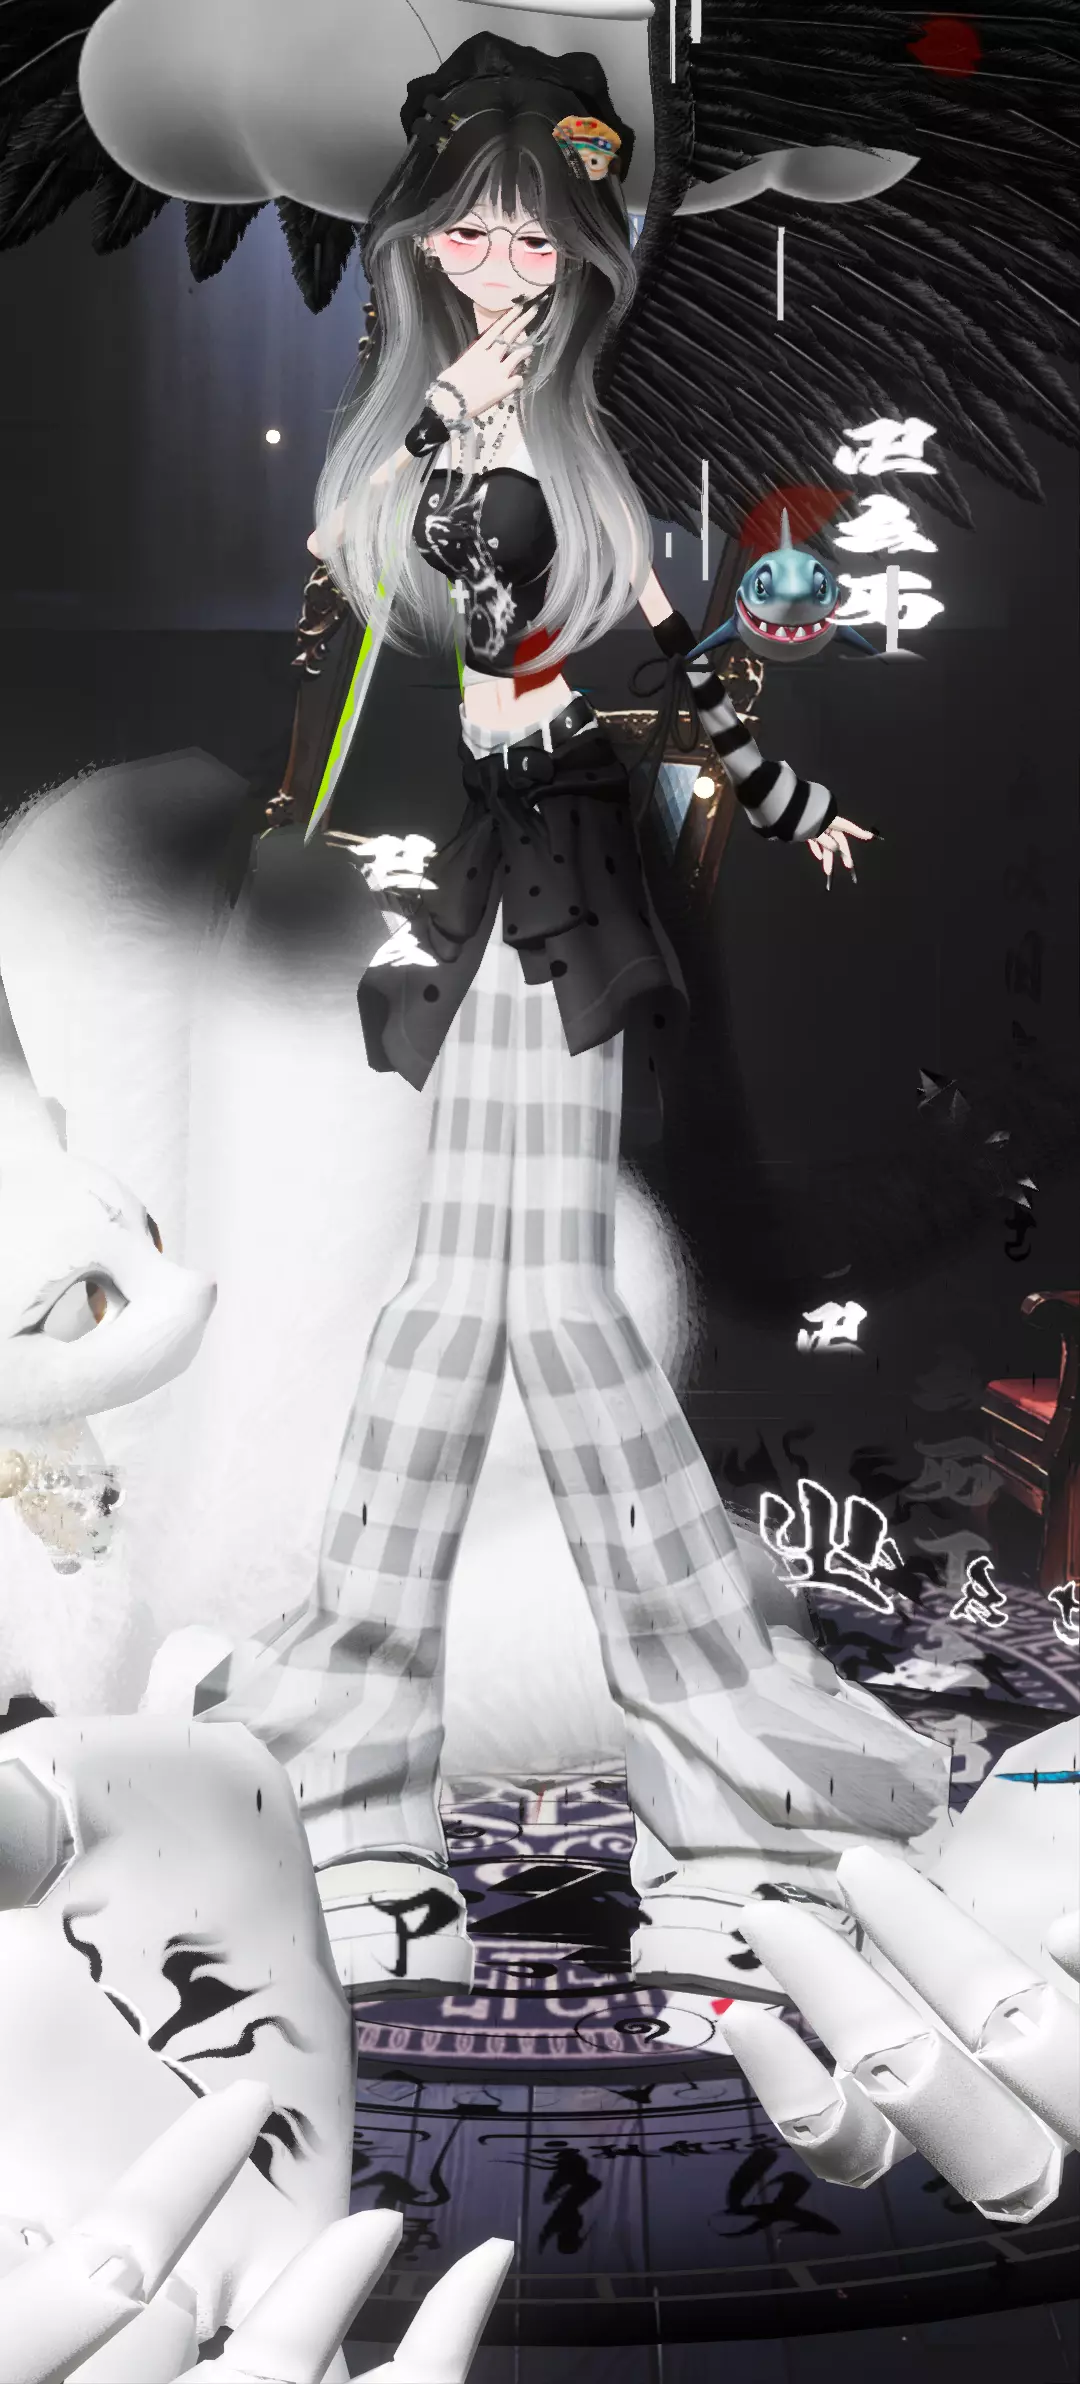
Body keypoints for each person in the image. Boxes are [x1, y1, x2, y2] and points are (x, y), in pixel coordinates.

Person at [197, 34, 949, 2000]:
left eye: (538, 238)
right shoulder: (411, 449)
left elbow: (674, 666)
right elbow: (351, 671)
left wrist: (786, 798)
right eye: (474, 233)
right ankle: (583, 1774)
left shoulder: (579, 459)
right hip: (459, 909)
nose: (506, 265)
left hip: (569, 911)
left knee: (514, 1315)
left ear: (585, 255)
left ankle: (427, 1778)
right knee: (479, 1314)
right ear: (420, 244)